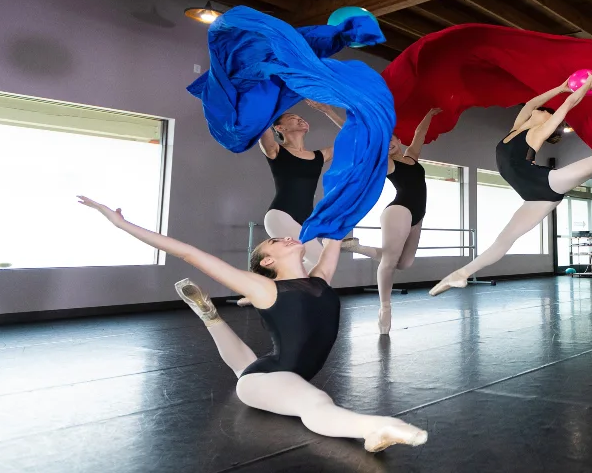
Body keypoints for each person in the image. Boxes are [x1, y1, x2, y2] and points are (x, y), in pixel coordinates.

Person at [76, 196, 428, 452]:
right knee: (314, 402)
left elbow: (338, 224)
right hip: (268, 381)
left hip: (276, 372)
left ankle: (209, 315)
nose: (287, 237)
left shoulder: (321, 277)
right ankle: (374, 427)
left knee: (246, 365)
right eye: (275, 241)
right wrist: (121, 224)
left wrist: (356, 178)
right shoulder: (263, 287)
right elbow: (188, 252)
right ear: (269, 261)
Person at [429, 73, 592, 295]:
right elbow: (531, 103)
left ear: (548, 122)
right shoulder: (516, 128)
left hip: (546, 182)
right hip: (533, 196)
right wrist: (560, 87)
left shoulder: (538, 133)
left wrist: (585, 86)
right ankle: (460, 274)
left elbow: (568, 105)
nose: (543, 109)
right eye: (544, 109)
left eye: (547, 112)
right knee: (504, 240)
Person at [341, 107, 441, 335]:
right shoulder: (387, 164)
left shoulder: (410, 157)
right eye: (383, 144)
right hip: (399, 210)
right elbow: (362, 140)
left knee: (404, 263)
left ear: (397, 139)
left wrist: (428, 115)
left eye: (391, 140)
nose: (389, 145)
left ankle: (355, 246)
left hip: (418, 215)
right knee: (389, 263)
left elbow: (419, 135)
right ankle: (385, 307)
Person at [258, 100, 345, 269]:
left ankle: (267, 292)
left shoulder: (320, 156)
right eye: (292, 117)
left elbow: (352, 137)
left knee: (304, 265)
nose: (300, 119)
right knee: (321, 261)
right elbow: (261, 125)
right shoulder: (275, 150)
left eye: (301, 117)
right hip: (281, 215)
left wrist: (327, 110)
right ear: (279, 128)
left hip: (306, 219)